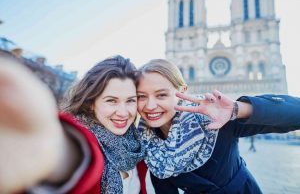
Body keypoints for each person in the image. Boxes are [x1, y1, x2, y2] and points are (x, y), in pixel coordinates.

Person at [136, 59, 300, 194]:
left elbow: (294, 114)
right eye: (141, 96)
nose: (150, 106)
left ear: (182, 91)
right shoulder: (148, 145)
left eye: (161, 95)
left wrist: (238, 109)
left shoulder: (212, 118)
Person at [0, 53, 147, 194]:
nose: (123, 112)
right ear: (91, 103)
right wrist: (46, 152)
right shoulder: (79, 140)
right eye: (111, 101)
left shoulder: (137, 146)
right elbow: (72, 158)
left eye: (130, 100)